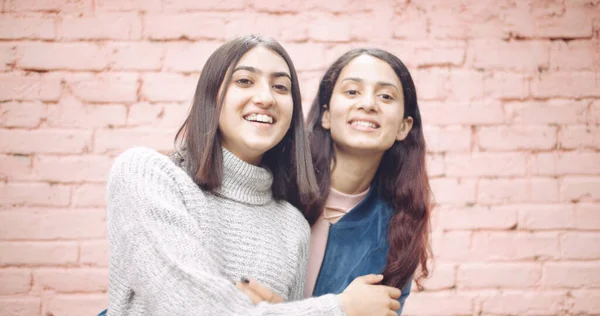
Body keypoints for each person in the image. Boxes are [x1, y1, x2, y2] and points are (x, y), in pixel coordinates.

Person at [102, 35, 402, 316]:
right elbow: (190, 306)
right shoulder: (148, 175)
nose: (265, 98)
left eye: (281, 87)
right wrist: (339, 309)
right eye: (244, 81)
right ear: (211, 96)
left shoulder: (292, 224)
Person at [303, 48, 433, 315]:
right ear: (326, 115)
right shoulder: (276, 192)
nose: (368, 104)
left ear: (403, 127)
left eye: (385, 96)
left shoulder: (397, 231)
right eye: (352, 92)